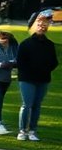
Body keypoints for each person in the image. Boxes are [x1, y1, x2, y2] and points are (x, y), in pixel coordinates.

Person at [16, 12, 57, 142]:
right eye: (39, 25)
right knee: (26, 105)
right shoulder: (25, 44)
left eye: (44, 25)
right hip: (27, 79)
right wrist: (32, 70)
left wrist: (44, 69)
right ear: (35, 26)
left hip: (43, 79)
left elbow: (53, 62)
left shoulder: (50, 45)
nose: (42, 27)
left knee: (37, 105)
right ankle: (22, 130)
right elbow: (20, 62)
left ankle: (33, 130)